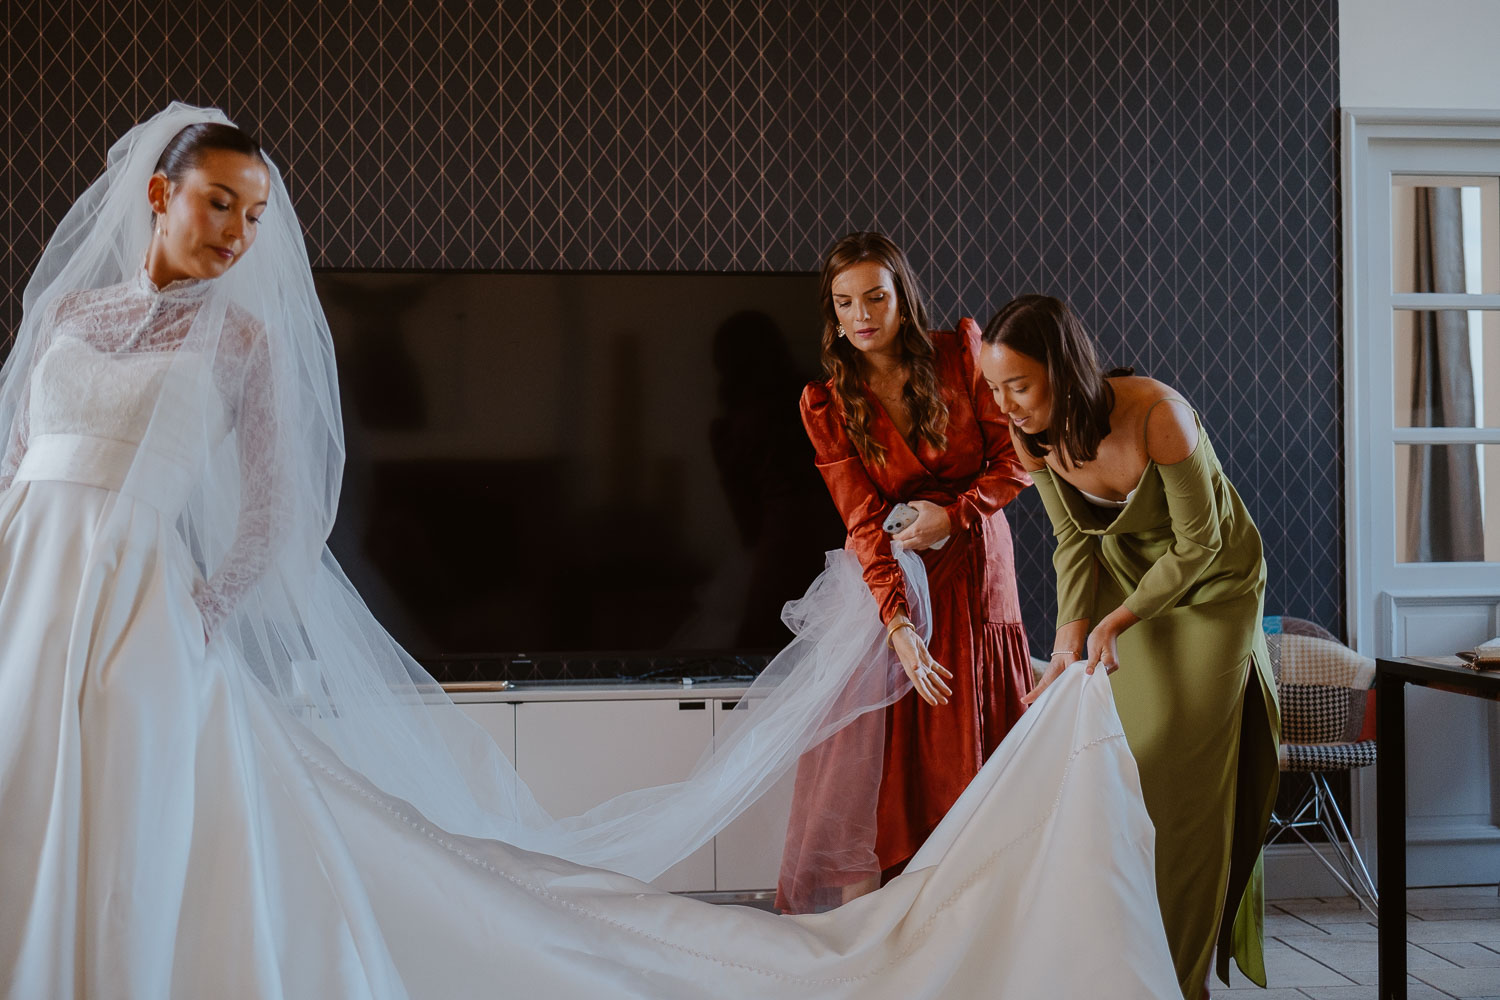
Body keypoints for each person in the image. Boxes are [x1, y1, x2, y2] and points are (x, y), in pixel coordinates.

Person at [0, 106, 1180, 998]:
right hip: (28, 582)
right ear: (158, 192)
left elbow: (278, 507)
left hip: (147, 608)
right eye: (219, 205)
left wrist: (208, 596)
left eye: (255, 215)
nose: (239, 233)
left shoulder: (245, 340)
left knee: (133, 802)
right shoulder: (61, 320)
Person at [977, 294, 1281, 999]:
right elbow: (1074, 542)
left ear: (1059, 369)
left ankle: (1183, 978)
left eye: (1016, 385)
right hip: (1129, 587)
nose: (1005, 405)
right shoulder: (1032, 437)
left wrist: (1119, 620)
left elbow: (1201, 542)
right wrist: (1066, 643)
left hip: (1214, 591)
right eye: (994, 388)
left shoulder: (1158, 415)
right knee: (1132, 769)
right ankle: (1125, 956)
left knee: (1182, 778)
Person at [777, 232, 1033, 912]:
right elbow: (862, 520)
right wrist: (895, 624)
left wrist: (956, 515)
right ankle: (903, 928)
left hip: (978, 567)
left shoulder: (959, 354)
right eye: (843, 304)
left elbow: (1016, 462)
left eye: (875, 297)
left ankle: (980, 917)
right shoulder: (827, 404)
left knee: (972, 733)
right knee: (893, 757)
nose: (860, 316)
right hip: (900, 578)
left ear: (902, 297)